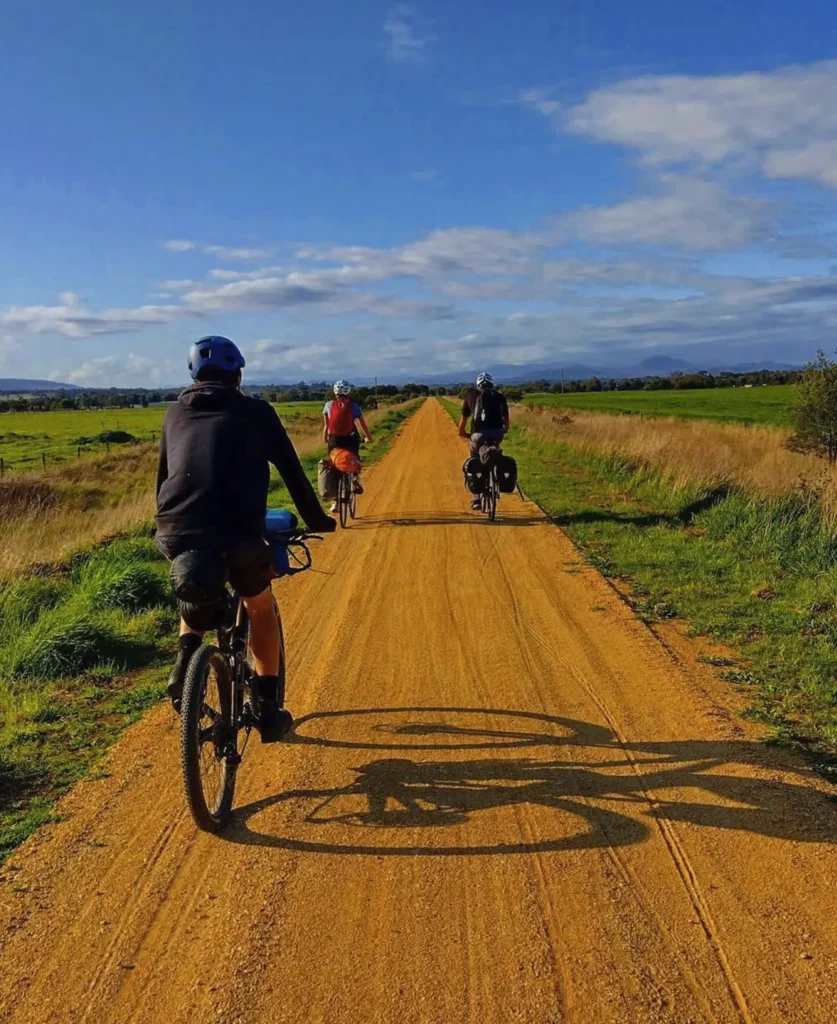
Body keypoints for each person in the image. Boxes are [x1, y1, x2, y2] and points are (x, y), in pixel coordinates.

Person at [155, 335, 335, 739]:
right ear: (237, 376)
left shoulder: (172, 414)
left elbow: (164, 478)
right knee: (259, 608)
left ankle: (185, 666)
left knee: (195, 594)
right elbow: (292, 472)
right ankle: (268, 710)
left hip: (176, 531)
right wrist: (316, 519)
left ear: (194, 376)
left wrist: (165, 529)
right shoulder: (257, 412)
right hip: (238, 534)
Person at [458, 371, 510, 509]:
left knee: (475, 457)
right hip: (497, 434)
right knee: (494, 450)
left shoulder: (471, 395)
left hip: (478, 435)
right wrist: (504, 430)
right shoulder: (499, 397)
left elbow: (463, 421)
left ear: (477, 384)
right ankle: (497, 476)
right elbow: (506, 420)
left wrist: (462, 433)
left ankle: (476, 499)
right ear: (492, 384)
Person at [323, 381, 372, 512]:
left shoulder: (328, 405)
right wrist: (368, 438)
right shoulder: (354, 406)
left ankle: (335, 502)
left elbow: (326, 426)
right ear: (348, 392)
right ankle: (355, 476)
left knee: (333, 466)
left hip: (334, 440)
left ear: (335, 392)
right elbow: (363, 425)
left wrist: (325, 439)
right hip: (350, 439)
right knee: (353, 457)